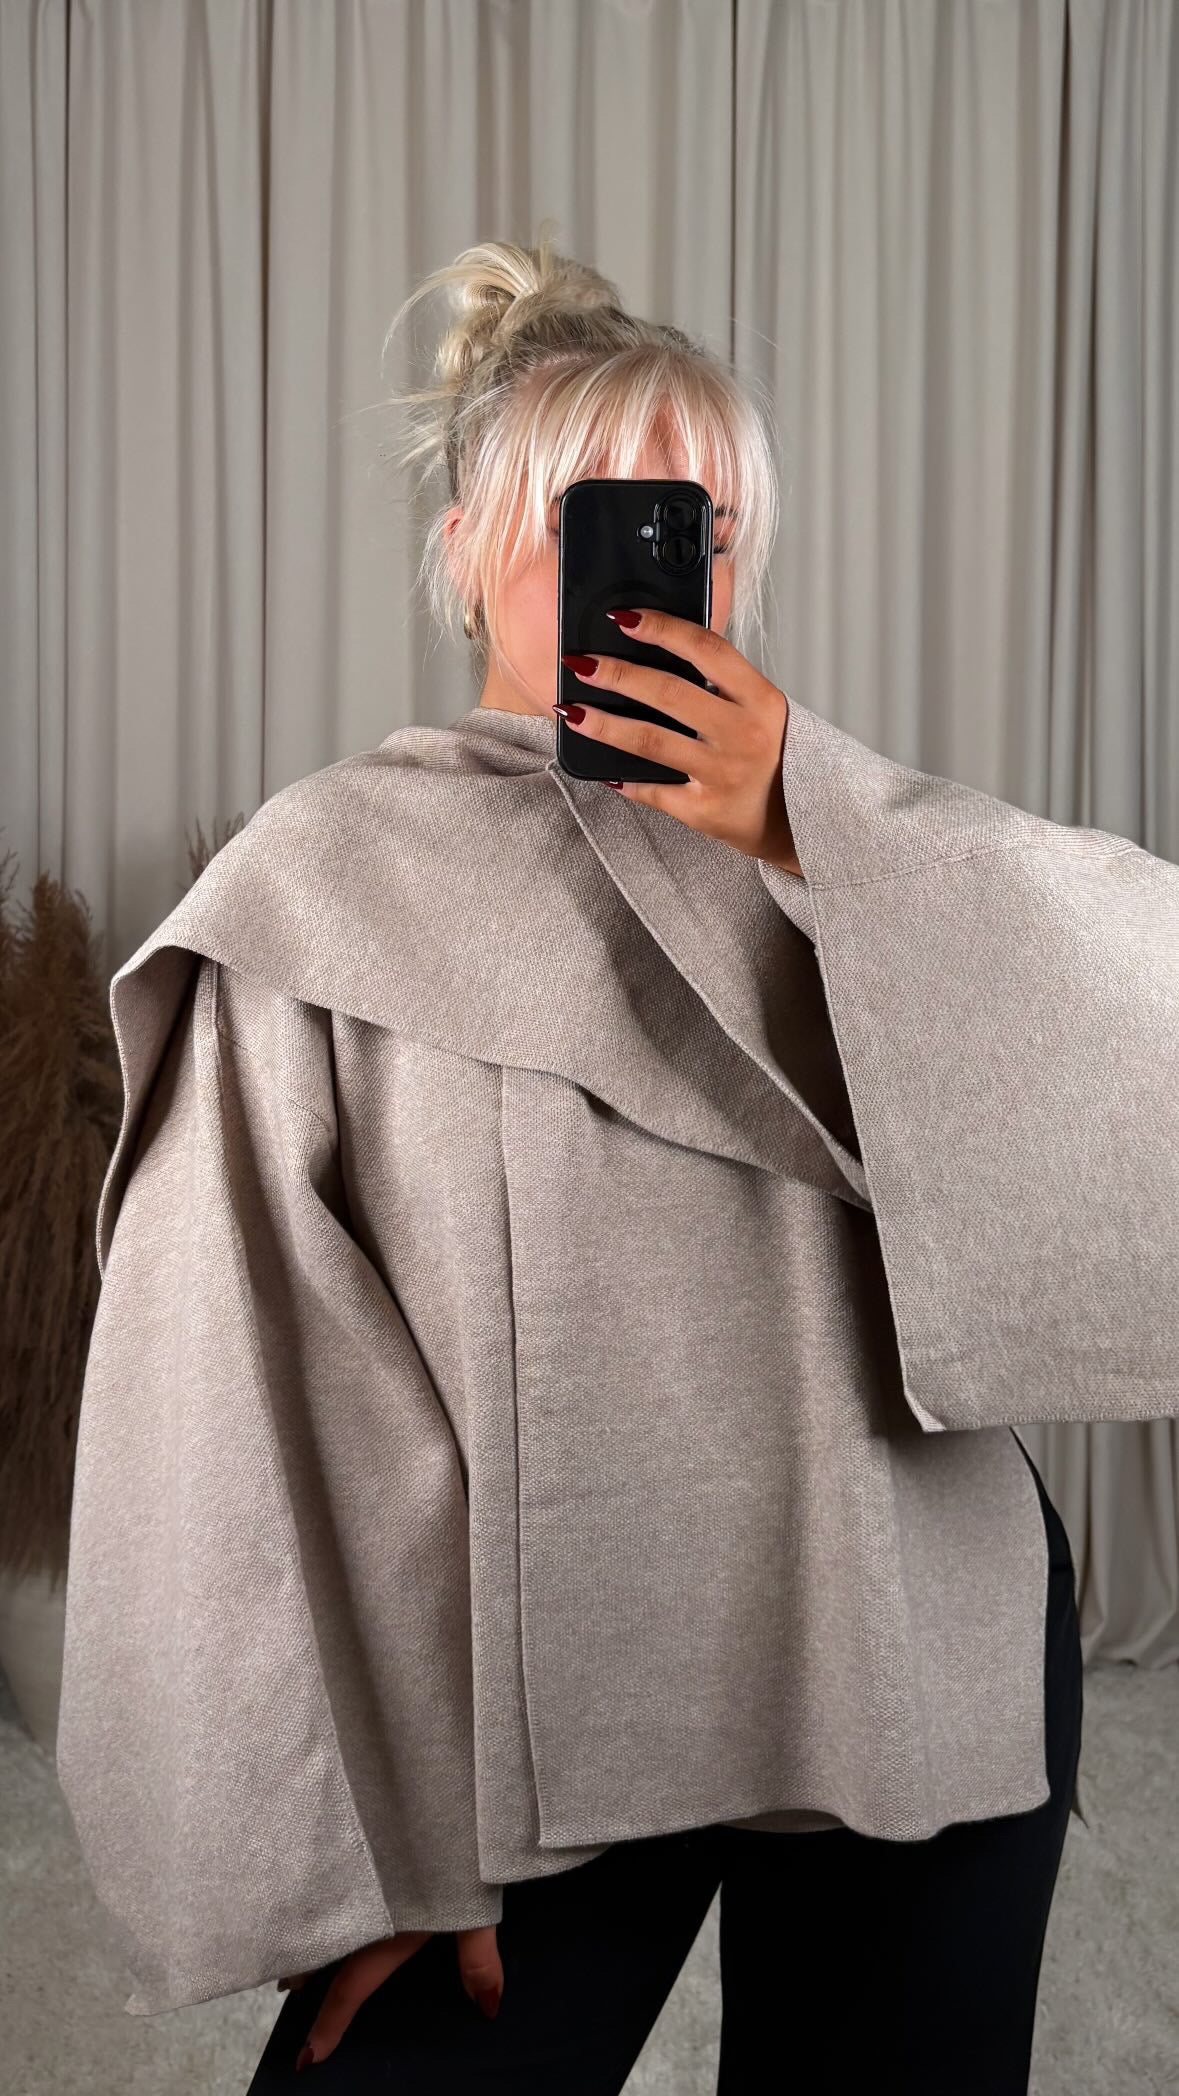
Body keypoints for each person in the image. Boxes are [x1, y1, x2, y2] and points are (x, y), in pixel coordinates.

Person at [57, 231, 1177, 2094]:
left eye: (700, 526)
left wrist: (815, 818)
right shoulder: (324, 876)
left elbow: (1140, 1013)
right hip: (531, 1710)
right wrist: (362, 1832)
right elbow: (239, 1379)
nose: (664, 569)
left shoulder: (854, 851)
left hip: (905, 1620)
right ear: (470, 546)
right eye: (600, 517)